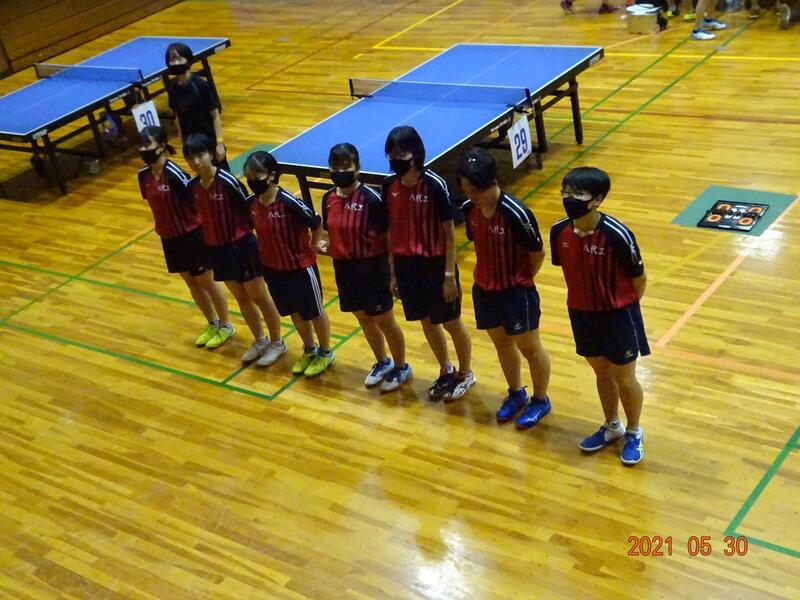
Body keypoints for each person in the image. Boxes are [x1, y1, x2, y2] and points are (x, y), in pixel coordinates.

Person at [550, 167, 649, 465]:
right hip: (581, 314)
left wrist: (622, 307)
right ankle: (612, 425)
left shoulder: (617, 235)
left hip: (618, 316)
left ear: (597, 199)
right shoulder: (559, 232)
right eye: (566, 192)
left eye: (577, 194)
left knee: (625, 377)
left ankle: (634, 431)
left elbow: (639, 279)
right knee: (601, 373)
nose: (569, 198)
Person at [459, 148, 552, 428]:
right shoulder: (469, 210)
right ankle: (516, 393)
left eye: (477, 190)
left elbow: (537, 253)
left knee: (530, 348)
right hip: (484, 290)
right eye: (466, 189)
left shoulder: (516, 213)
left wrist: (520, 279)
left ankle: (540, 400)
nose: (472, 195)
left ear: (493, 181)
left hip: (516, 293)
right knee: (502, 344)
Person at [383, 126, 474, 403]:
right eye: (391, 154)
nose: (395, 159)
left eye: (401, 153)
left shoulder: (434, 185)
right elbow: (392, 231)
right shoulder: (389, 187)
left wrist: (449, 276)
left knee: (451, 322)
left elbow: (450, 234)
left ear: (415, 153)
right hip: (407, 267)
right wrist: (393, 273)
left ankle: (465, 373)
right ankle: (446, 369)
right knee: (426, 321)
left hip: (436, 265)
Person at [183, 134, 285, 366]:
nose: (196, 162)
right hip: (217, 250)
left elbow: (250, 208)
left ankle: (277, 342)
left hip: (242, 246)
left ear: (211, 154)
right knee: (241, 297)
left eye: (200, 155)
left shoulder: (227, 182)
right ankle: (260, 340)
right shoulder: (193, 187)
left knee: (259, 296)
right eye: (190, 158)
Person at [318, 143, 411, 391]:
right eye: (335, 166)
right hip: (344, 269)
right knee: (363, 319)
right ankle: (382, 361)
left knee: (385, 320)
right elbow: (330, 231)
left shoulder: (372, 200)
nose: (340, 171)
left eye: (345, 166)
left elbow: (389, 240)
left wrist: (394, 274)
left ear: (357, 168)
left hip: (372, 269)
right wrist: (326, 245)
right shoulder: (328, 199)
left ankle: (401, 366)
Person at [137, 125, 232, 348]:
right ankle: (212, 322)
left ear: (161, 147)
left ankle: (226, 325)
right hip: (168, 237)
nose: (143, 149)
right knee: (191, 282)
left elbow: (195, 202)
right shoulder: (143, 176)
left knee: (206, 281)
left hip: (191, 235)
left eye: (148, 144)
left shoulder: (175, 174)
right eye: (141, 145)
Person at [244, 151, 335, 377]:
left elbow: (316, 222)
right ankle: (309, 349)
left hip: (300, 268)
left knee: (314, 311)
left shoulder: (288, 202)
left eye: (257, 175)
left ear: (271, 175)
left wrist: (313, 245)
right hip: (273, 269)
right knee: (294, 311)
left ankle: (326, 352)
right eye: (249, 176)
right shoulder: (252, 203)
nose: (253, 180)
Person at [165, 42, 230, 171]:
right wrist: (183, 143)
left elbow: (215, 115)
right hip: (190, 142)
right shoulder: (172, 87)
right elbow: (177, 117)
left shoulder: (200, 85)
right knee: (201, 174)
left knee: (221, 174)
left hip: (209, 141)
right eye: (172, 60)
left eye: (179, 58)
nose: (175, 63)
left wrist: (220, 142)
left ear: (188, 59)